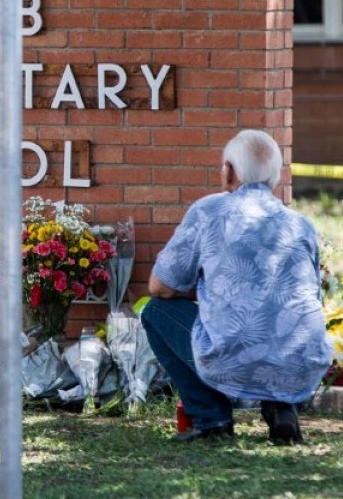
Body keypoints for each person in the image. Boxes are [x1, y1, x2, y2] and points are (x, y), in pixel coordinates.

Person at [140, 129, 332, 445]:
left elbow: (161, 286)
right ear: (277, 177)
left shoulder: (209, 211)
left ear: (229, 171)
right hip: (302, 363)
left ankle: (211, 418)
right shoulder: (301, 224)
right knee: (275, 321)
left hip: (232, 362)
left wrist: (207, 289)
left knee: (157, 312)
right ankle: (281, 407)